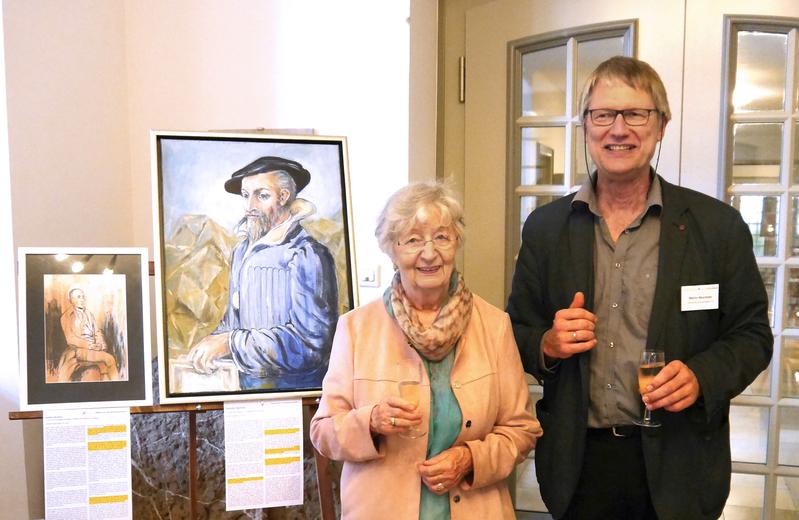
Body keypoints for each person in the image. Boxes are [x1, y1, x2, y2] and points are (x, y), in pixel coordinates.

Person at [506, 56, 773, 520]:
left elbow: (752, 337)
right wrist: (547, 343)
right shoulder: (546, 228)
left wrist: (701, 375)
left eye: (635, 114)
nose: (618, 129)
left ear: (660, 126)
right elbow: (515, 332)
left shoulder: (717, 227)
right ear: (586, 126)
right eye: (603, 114)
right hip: (578, 463)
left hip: (681, 462)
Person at [311, 182, 541, 519]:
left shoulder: (494, 325)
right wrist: (370, 421)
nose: (429, 253)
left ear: (456, 243)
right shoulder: (355, 328)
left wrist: (470, 460)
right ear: (392, 250)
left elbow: (521, 430)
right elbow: (324, 432)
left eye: (441, 237)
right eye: (413, 240)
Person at [187, 156, 338, 390]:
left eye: (261, 195)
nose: (250, 206)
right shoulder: (241, 252)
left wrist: (230, 343)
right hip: (245, 391)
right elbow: (235, 321)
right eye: (246, 195)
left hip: (296, 393)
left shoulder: (307, 254)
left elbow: (311, 345)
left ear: (284, 197)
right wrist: (211, 343)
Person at [58, 286, 119, 382]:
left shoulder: (89, 314)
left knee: (107, 362)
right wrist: (90, 346)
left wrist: (102, 345)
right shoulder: (66, 317)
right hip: (78, 350)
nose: (82, 299)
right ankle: (117, 386)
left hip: (94, 348)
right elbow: (70, 339)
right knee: (110, 359)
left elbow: (97, 332)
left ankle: (115, 386)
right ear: (71, 300)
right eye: (78, 297)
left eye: (83, 296)